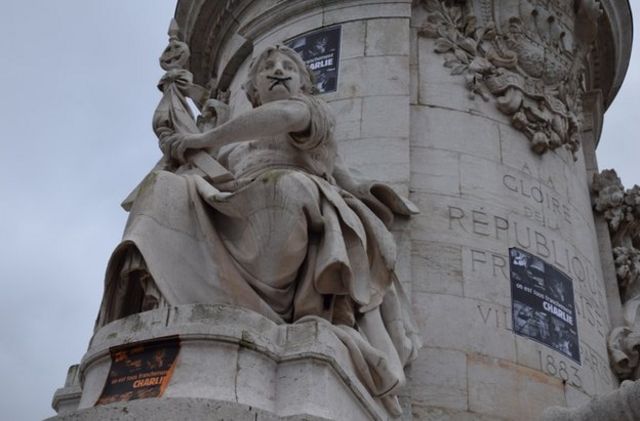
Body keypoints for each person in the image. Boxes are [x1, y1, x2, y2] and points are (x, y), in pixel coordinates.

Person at [96, 44, 420, 415]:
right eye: (267, 67)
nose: (278, 71)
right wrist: (178, 139)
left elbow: (284, 119)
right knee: (163, 189)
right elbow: (193, 165)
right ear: (251, 91)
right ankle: (159, 310)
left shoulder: (311, 114)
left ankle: (271, 313)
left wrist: (201, 139)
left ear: (305, 84)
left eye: (289, 67)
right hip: (231, 206)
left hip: (285, 205)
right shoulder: (233, 144)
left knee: (283, 186)